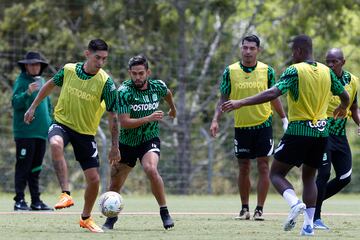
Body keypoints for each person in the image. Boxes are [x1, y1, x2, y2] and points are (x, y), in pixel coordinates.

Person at [220, 34, 350, 236]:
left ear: (298, 51)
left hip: (298, 131)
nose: (292, 55)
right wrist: (343, 106)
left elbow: (272, 93)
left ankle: (294, 203)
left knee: (276, 173)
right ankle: (308, 226)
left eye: (292, 52)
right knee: (309, 178)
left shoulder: (294, 70)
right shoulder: (327, 71)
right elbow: (346, 96)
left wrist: (240, 102)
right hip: (322, 133)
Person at [24, 39, 120, 233]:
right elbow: (49, 85)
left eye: (104, 59)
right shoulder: (68, 70)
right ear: (87, 54)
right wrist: (32, 107)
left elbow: (113, 116)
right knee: (56, 143)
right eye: (97, 57)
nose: (100, 62)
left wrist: (114, 146)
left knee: (94, 180)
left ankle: (85, 218)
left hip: (85, 133)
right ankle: (65, 193)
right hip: (62, 123)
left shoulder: (106, 83)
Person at [210, 34, 288, 221]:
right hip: (242, 126)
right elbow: (223, 97)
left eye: (252, 48)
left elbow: (274, 96)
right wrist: (215, 119)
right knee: (243, 167)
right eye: (245, 47)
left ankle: (259, 209)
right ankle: (244, 208)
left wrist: (284, 118)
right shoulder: (230, 71)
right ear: (241, 48)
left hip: (263, 125)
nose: (248, 51)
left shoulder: (267, 71)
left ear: (258, 50)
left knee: (263, 166)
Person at [102, 55, 176, 230]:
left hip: (149, 138)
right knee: (115, 183)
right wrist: (149, 117)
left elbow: (167, 94)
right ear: (129, 73)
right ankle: (111, 218)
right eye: (134, 74)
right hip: (127, 142)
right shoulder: (124, 92)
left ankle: (164, 212)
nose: (137, 77)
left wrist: (173, 108)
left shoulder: (157, 86)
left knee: (151, 168)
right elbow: (125, 122)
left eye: (141, 73)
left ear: (148, 72)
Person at [314, 48, 360, 230]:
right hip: (322, 133)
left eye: (334, 62)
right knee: (323, 174)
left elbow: (354, 108)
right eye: (328, 61)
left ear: (343, 62)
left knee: (345, 177)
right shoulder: (321, 78)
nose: (331, 65)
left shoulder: (353, 81)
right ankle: (315, 217)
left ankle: (310, 202)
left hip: (340, 135)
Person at [12, 51, 53, 211]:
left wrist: (50, 122)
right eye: (31, 64)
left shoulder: (43, 81)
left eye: (37, 64)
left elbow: (47, 104)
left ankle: (36, 201)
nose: (34, 67)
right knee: (23, 166)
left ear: (40, 66)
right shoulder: (21, 81)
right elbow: (15, 103)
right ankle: (19, 201)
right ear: (26, 66)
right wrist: (27, 92)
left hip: (41, 133)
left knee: (36, 168)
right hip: (25, 133)